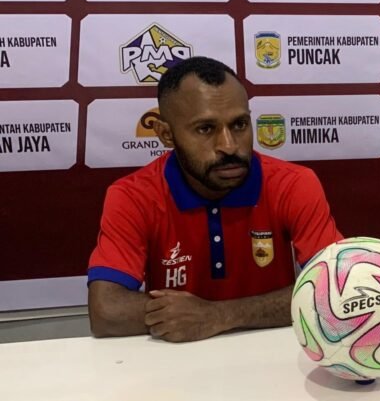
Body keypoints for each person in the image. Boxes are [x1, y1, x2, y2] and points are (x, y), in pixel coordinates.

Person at [87, 56, 342, 342]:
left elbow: (335, 288)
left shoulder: (294, 184)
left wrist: (219, 315)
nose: (229, 145)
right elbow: (107, 311)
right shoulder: (132, 196)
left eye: (239, 125)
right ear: (166, 134)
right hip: (176, 363)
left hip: (274, 358)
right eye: (205, 129)